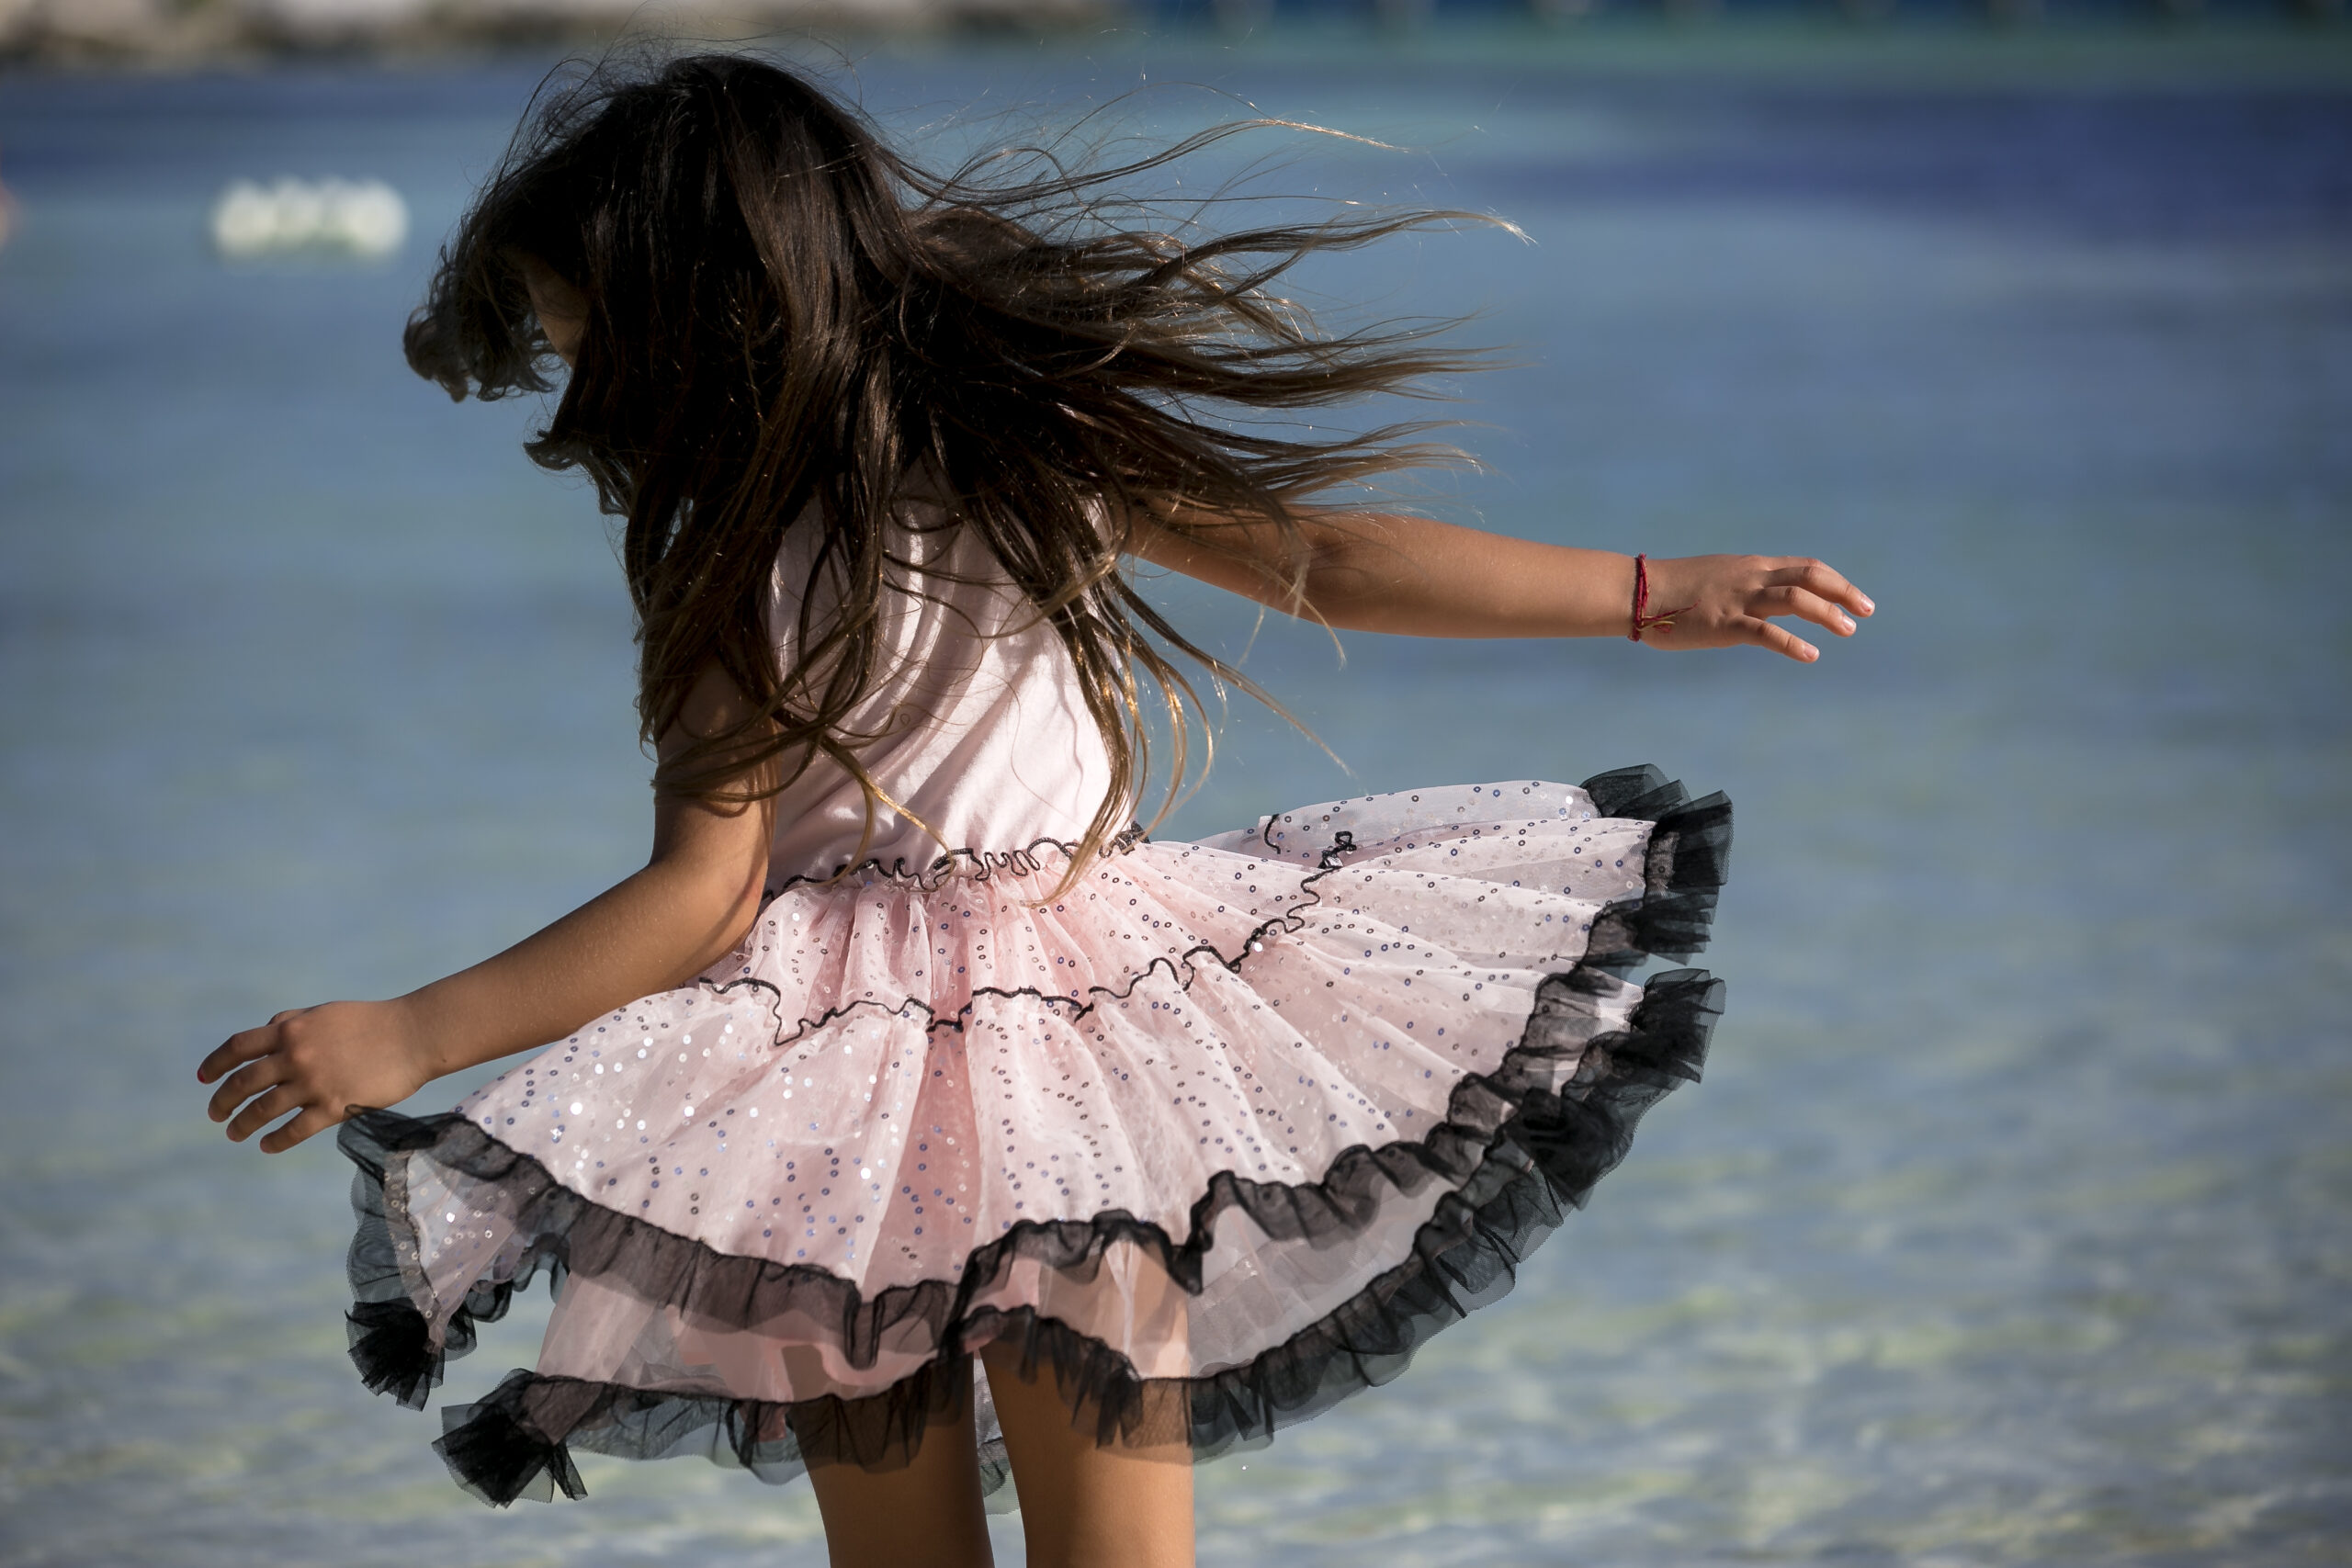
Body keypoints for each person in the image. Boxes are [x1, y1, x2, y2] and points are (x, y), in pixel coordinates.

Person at [198, 53, 1871, 1568]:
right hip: (1091, 1045)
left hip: (828, 1102)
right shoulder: (1017, 433)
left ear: (699, 322)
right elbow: (1320, 557)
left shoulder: (732, 561)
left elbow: (704, 901)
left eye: (593, 356)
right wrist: (1648, 592)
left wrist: (416, 1032)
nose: (588, 410)